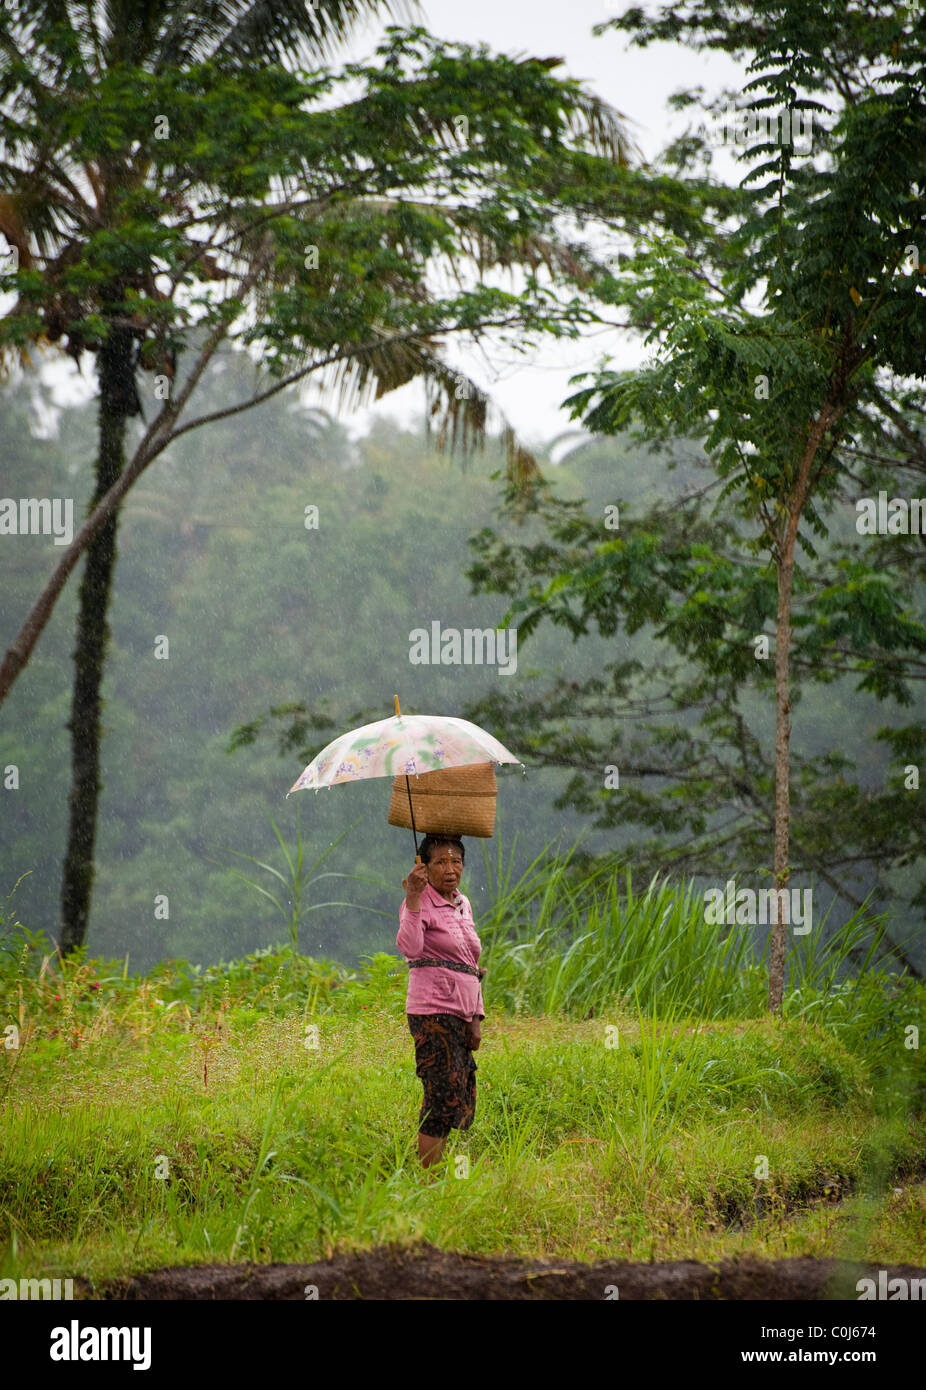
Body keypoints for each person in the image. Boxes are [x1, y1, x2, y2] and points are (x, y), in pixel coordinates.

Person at [398, 833, 487, 1168]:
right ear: (425, 866)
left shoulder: (462, 903)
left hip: (462, 1013)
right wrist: (413, 896)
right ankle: (428, 1180)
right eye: (440, 862)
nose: (451, 869)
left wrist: (476, 1017)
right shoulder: (419, 903)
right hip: (432, 1011)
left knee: (458, 1091)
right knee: (440, 1093)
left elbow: (471, 964)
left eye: (456, 861)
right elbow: (410, 947)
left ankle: (437, 1172)